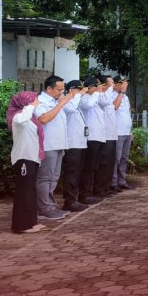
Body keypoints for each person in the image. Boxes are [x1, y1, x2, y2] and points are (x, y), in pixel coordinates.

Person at [34, 75, 72, 220]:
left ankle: (49, 205)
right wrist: (61, 104)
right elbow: (43, 119)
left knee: (54, 177)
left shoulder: (56, 101)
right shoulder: (40, 101)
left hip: (59, 144)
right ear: (49, 89)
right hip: (48, 145)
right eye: (59, 90)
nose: (61, 93)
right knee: (45, 178)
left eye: (63, 90)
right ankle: (43, 208)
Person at [8, 92, 45, 234]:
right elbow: (21, 119)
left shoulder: (31, 119)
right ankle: (21, 226)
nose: (37, 103)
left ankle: (31, 223)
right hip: (23, 158)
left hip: (32, 158)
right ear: (25, 103)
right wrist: (31, 106)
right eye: (34, 100)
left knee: (30, 191)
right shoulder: (18, 117)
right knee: (24, 191)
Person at [61, 80, 90, 212]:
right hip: (72, 143)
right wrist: (77, 95)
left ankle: (75, 198)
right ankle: (69, 201)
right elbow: (70, 109)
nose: (82, 92)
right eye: (79, 89)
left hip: (80, 142)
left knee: (77, 172)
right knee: (71, 172)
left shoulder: (76, 102)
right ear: (72, 90)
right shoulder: (66, 102)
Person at [95, 76, 119, 197]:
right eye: (111, 83)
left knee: (110, 164)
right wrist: (109, 88)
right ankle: (100, 189)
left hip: (112, 136)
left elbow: (114, 105)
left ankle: (106, 187)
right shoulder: (100, 97)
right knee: (103, 165)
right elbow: (104, 101)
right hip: (105, 137)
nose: (113, 85)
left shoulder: (108, 98)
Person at [112, 75, 135, 191]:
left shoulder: (125, 97)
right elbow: (115, 107)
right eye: (121, 83)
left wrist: (130, 131)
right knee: (116, 159)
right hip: (117, 133)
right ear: (115, 84)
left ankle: (122, 181)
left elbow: (127, 114)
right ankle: (113, 182)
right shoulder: (112, 95)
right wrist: (121, 92)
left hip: (126, 132)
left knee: (124, 158)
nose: (124, 85)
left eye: (125, 82)